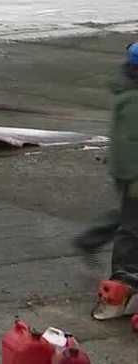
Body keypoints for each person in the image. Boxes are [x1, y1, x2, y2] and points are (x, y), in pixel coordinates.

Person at [78, 42, 138, 321]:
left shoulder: (128, 89)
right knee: (130, 226)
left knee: (127, 215)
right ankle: (122, 280)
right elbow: (131, 144)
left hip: (127, 171)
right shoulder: (134, 101)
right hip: (133, 172)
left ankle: (90, 240)